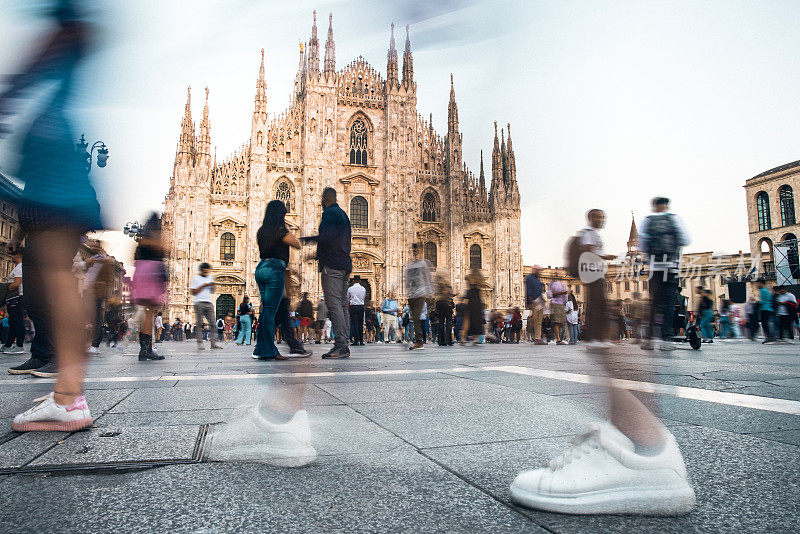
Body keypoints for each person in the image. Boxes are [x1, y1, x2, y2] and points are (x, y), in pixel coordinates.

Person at [510, 208, 696, 516]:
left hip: (606, 277)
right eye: (598, 218)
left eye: (602, 219)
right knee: (616, 312)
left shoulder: (603, 237)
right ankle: (646, 451)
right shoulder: (592, 236)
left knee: (611, 317)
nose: (600, 222)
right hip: (621, 275)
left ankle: (641, 455)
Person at [4, 6, 104, 430]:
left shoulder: (69, 28)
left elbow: (65, 36)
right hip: (57, 163)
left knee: (53, 276)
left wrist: (11, 89)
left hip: (53, 166)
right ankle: (67, 390)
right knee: (54, 275)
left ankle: (67, 394)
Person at [302, 188, 352, 359]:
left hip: (332, 264)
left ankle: (340, 345)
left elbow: (327, 237)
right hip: (345, 263)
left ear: (324, 199)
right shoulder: (344, 215)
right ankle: (344, 343)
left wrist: (309, 243)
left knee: (334, 305)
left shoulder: (329, 214)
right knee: (342, 305)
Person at [250, 200, 301, 360]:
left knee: (266, 311)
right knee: (270, 312)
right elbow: (296, 244)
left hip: (261, 268)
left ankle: (260, 348)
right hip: (274, 269)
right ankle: (269, 351)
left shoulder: (262, 231)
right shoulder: (280, 230)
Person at [639, 197, 690, 351]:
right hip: (671, 266)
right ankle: (666, 338)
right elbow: (685, 239)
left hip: (655, 267)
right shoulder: (673, 219)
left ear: (654, 207)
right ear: (667, 206)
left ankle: (648, 339)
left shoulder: (647, 221)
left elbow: (642, 245)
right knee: (669, 302)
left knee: (654, 302)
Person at [579, 209, 616, 347]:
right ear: (591, 218)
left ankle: (599, 337)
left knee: (600, 304)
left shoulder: (594, 234)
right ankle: (594, 338)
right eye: (599, 217)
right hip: (591, 272)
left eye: (603, 218)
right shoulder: (588, 234)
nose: (602, 220)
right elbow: (588, 252)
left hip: (597, 272)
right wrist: (605, 257)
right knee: (596, 304)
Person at [84, 243, 114, 354]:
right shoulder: (89, 261)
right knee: (89, 318)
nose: (93, 249)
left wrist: (108, 295)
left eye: (96, 247)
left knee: (96, 319)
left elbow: (109, 279)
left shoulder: (105, 261)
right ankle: (88, 342)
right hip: (87, 292)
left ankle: (95, 344)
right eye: (92, 247)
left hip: (98, 293)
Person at [405, 243, 433, 351]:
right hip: (412, 294)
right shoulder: (410, 265)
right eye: (413, 250)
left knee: (416, 317)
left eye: (417, 250)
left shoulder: (423, 264)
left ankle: (419, 341)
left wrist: (430, 293)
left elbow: (427, 279)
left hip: (421, 293)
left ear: (420, 251)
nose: (415, 252)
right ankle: (419, 340)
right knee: (414, 318)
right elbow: (407, 280)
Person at [190, 263, 222, 350]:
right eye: (204, 270)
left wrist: (213, 286)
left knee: (212, 323)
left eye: (207, 270)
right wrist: (203, 285)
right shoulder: (196, 279)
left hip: (208, 302)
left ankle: (213, 344)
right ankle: (200, 343)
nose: (206, 272)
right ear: (201, 270)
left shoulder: (210, 278)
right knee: (199, 324)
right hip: (199, 302)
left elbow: (212, 291)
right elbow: (193, 292)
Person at [1, 249, 25, 354]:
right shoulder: (19, 267)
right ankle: (8, 345)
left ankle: (19, 346)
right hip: (15, 298)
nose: (11, 257)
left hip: (16, 297)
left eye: (13, 255)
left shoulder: (20, 267)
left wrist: (6, 288)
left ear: (18, 255)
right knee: (13, 322)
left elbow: (17, 283)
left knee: (17, 322)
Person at [461, 270, 485, 345]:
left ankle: (463, 338)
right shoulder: (480, 280)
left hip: (471, 301)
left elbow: (466, 278)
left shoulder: (470, 278)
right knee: (476, 321)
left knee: (467, 321)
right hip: (477, 302)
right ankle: (474, 339)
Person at [525, 266, 546, 345]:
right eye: (539, 270)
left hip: (539, 301)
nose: (540, 272)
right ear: (535, 270)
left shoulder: (537, 279)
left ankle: (538, 337)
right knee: (536, 320)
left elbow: (541, 291)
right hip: (534, 301)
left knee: (539, 320)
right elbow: (529, 290)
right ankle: (537, 338)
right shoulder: (529, 278)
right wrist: (531, 300)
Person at [347, 276, 366, 346]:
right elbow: (363, 298)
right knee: (360, 324)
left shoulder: (350, 289)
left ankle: (356, 340)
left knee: (355, 324)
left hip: (353, 307)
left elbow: (348, 299)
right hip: (361, 306)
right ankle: (361, 341)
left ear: (353, 281)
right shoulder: (363, 289)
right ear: (360, 281)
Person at [548, 279, 568, 345]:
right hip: (555, 304)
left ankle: (561, 338)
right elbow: (550, 295)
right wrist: (562, 293)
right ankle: (558, 338)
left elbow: (565, 295)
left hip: (562, 304)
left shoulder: (563, 283)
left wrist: (565, 303)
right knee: (556, 322)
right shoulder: (551, 284)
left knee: (562, 322)